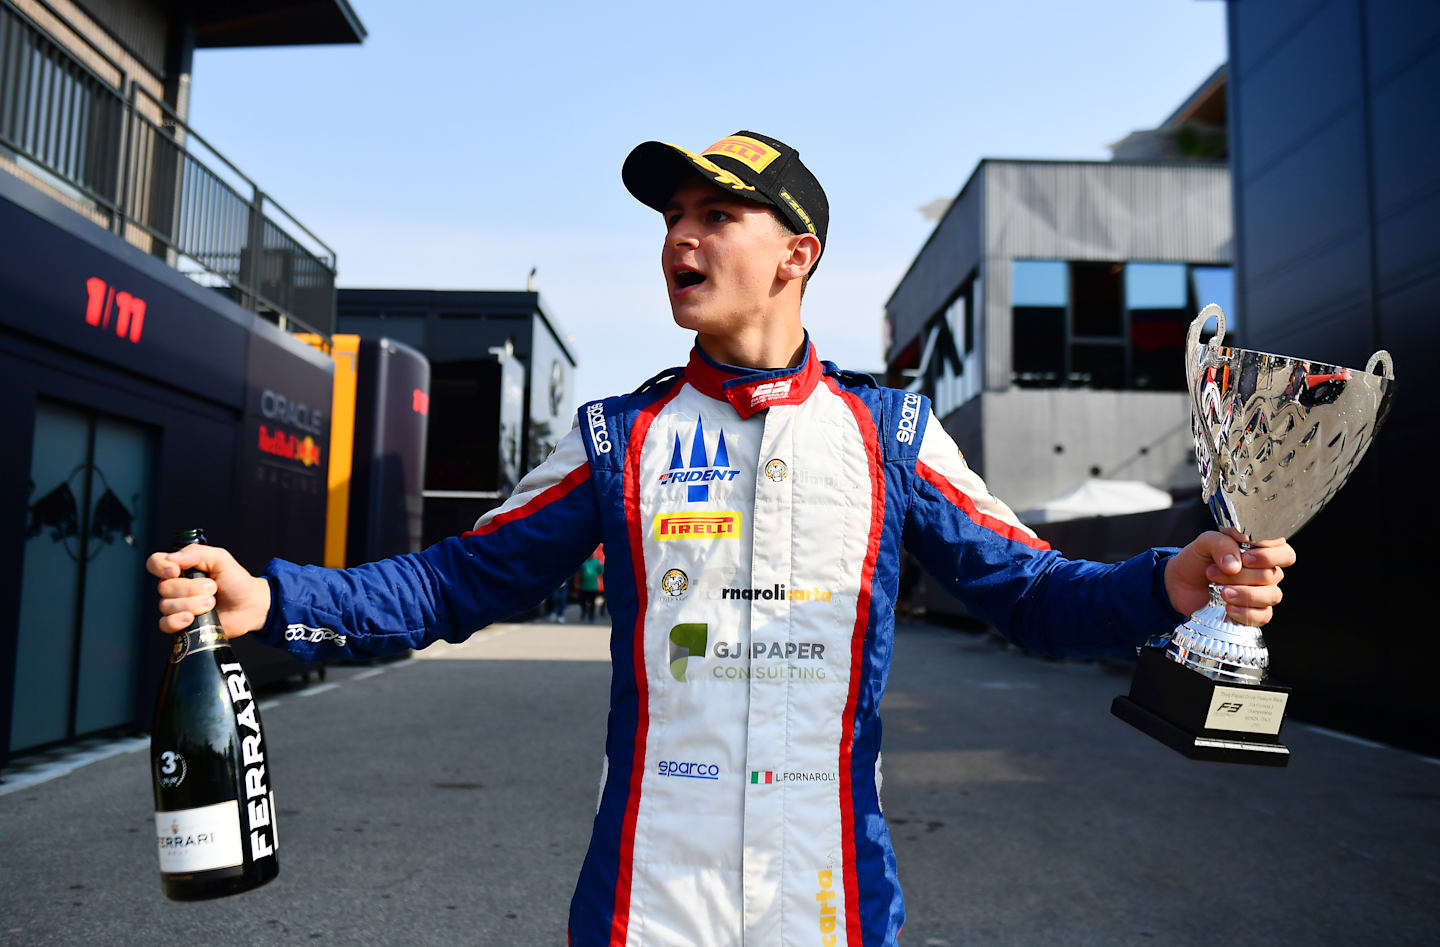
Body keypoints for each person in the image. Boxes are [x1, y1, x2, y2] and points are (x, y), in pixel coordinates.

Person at [147, 130, 1294, 947]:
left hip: (833, 895)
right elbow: (453, 580)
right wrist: (275, 595)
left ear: (796, 252)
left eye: (713, 215)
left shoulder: (891, 428)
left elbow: (1032, 595)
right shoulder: (620, 433)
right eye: (670, 220)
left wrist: (1171, 580)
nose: (677, 240)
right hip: (648, 897)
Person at [578, 550, 603, 623]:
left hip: (593, 587)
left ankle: (591, 616)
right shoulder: (583, 562)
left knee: (592, 603)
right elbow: (579, 574)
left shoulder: (596, 562)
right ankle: (584, 612)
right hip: (583, 586)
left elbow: (600, 572)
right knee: (582, 602)